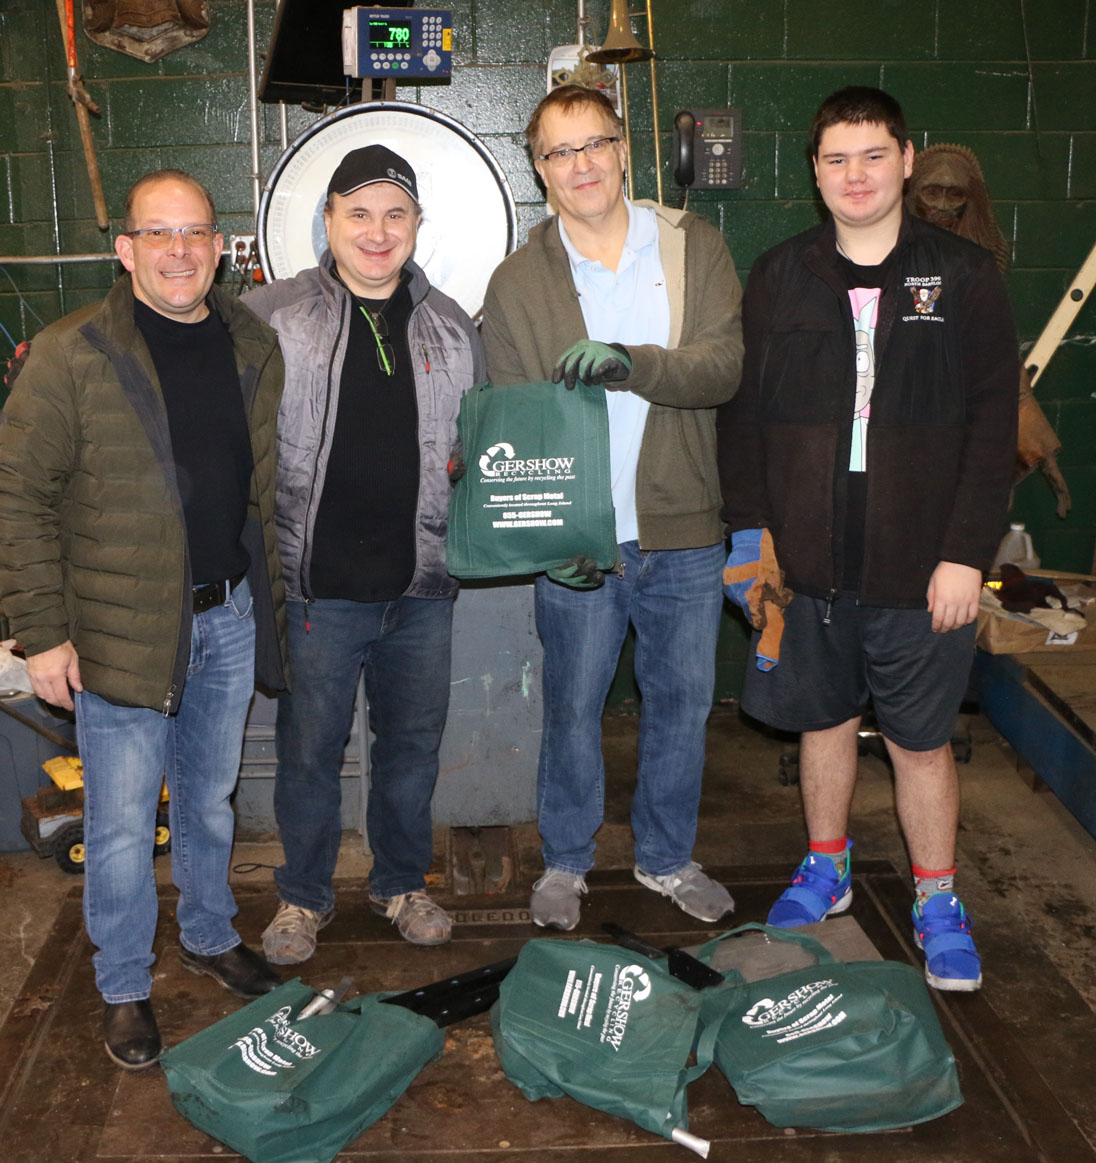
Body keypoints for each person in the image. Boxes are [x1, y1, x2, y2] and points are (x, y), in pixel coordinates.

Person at [717, 87, 1019, 991]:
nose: (855, 176)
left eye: (873, 156)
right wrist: (748, 536)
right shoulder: (780, 275)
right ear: (814, 171)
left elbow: (992, 420)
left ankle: (937, 899)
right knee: (824, 718)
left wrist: (968, 551)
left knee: (921, 740)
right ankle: (826, 866)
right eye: (837, 159)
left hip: (922, 567)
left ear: (907, 159)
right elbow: (743, 419)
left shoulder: (962, 278)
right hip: (808, 564)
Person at [0, 170, 288, 1069]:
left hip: (225, 615)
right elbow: (18, 499)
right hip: (117, 628)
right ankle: (123, 983)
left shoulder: (249, 342)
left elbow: (261, 484)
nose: (179, 251)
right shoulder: (71, 351)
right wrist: (42, 632)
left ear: (222, 249)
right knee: (120, 824)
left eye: (195, 232)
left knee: (207, 798)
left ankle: (206, 931)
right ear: (125, 251)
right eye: (158, 234)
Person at [481, 85, 744, 931]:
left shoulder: (691, 246)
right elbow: (515, 419)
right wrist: (550, 532)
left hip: (684, 533)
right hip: (583, 541)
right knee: (572, 706)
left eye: (593, 144)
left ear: (623, 149)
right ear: (539, 168)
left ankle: (667, 857)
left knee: (680, 705)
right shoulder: (519, 280)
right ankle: (565, 860)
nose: (580, 165)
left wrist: (631, 361)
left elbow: (721, 368)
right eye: (559, 153)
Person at [242, 145, 485, 963]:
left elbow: (481, 454)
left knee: (411, 749)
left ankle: (399, 883)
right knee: (310, 753)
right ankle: (302, 898)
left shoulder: (453, 326)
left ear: (416, 225)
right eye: (359, 213)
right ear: (329, 222)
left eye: (394, 214)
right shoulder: (271, 316)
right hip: (317, 590)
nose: (377, 232)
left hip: (421, 586)